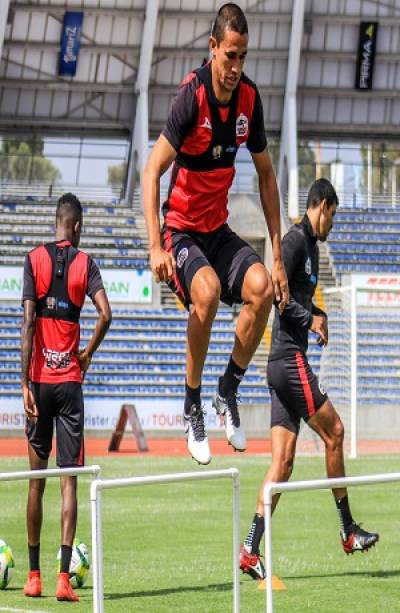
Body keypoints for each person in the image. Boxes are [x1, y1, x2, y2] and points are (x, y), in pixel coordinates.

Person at [143, 3, 288, 465]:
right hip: (181, 231)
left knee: (262, 287)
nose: (235, 67)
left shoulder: (249, 100)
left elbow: (267, 176)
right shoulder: (191, 97)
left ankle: (226, 392)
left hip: (217, 230)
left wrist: (279, 254)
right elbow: (150, 172)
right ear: (212, 49)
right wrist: (153, 245)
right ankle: (192, 406)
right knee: (204, 292)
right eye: (230, 55)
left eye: (243, 56)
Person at [240, 178, 379, 580]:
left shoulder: (312, 250)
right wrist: (312, 318)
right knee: (335, 431)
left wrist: (318, 316)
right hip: (287, 360)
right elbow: (279, 300)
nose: (332, 223)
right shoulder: (295, 242)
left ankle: (250, 549)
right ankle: (348, 529)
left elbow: (297, 299)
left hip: (282, 364)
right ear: (319, 205)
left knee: (282, 464)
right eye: (332, 215)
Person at [21, 193, 112, 601]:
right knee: (69, 483)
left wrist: (23, 383)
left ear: (57, 221)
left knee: (35, 483)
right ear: (75, 225)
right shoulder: (85, 264)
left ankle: (34, 576)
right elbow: (106, 314)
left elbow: (26, 323)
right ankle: (62, 580)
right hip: (70, 384)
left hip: (39, 383)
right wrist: (87, 352)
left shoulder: (33, 259)